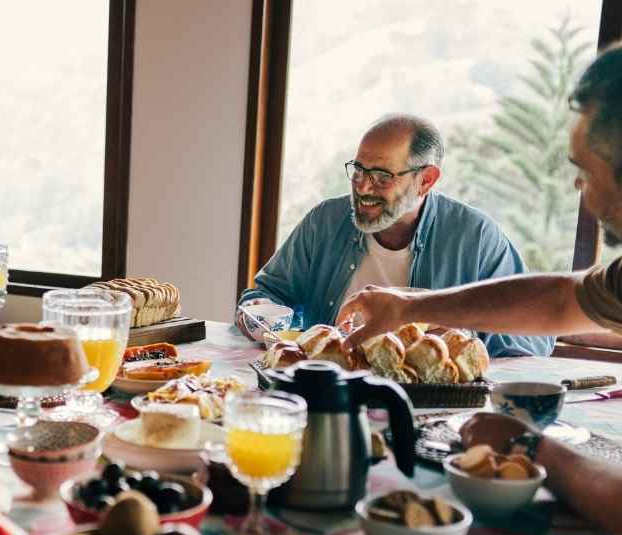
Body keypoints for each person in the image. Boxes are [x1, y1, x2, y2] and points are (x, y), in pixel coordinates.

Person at [339, 38, 622, 535]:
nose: (579, 188)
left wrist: (530, 448)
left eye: (585, 171)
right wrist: (410, 307)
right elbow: (560, 299)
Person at [237, 113, 553, 357]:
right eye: (358, 171)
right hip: (329, 389)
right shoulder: (325, 221)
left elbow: (536, 338)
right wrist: (258, 313)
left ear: (426, 180)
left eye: (381, 177)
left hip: (427, 402)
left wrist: (459, 332)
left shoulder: (475, 237)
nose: (363, 187)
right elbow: (267, 294)